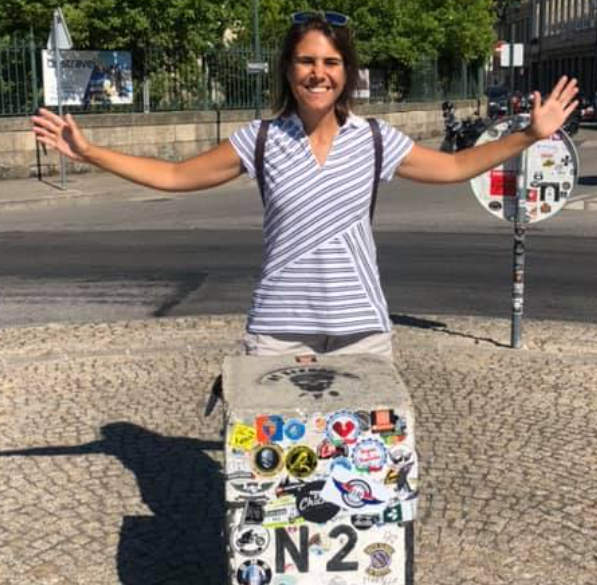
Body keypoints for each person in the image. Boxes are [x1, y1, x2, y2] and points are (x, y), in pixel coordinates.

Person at [32, 12, 578, 361]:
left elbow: (455, 168)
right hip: (278, 332)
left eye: (331, 62)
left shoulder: (375, 139)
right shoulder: (260, 139)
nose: (319, 72)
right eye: (307, 61)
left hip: (362, 333)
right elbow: (175, 176)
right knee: (274, 485)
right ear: (289, 70)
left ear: (347, 72)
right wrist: (90, 152)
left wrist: (529, 135)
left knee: (363, 486)